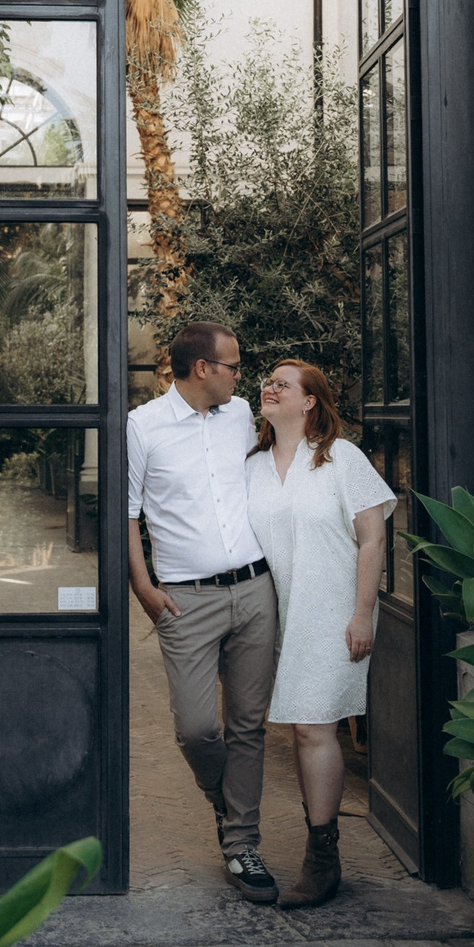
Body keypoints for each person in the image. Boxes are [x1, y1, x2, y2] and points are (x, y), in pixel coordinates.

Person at [126, 322, 281, 904]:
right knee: (196, 729)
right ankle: (227, 800)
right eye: (233, 365)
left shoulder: (242, 415)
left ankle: (242, 844)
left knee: (248, 725)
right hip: (185, 599)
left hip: (254, 588)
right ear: (201, 370)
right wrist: (144, 587)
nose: (241, 374)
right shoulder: (143, 427)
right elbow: (128, 515)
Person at [246, 359, 394, 908]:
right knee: (299, 731)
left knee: (312, 729)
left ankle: (322, 857)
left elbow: (373, 539)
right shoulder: (254, 464)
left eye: (282, 384)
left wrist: (362, 613)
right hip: (276, 614)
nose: (269, 387)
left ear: (310, 401)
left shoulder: (340, 459)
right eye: (266, 381)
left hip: (333, 611)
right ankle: (318, 843)